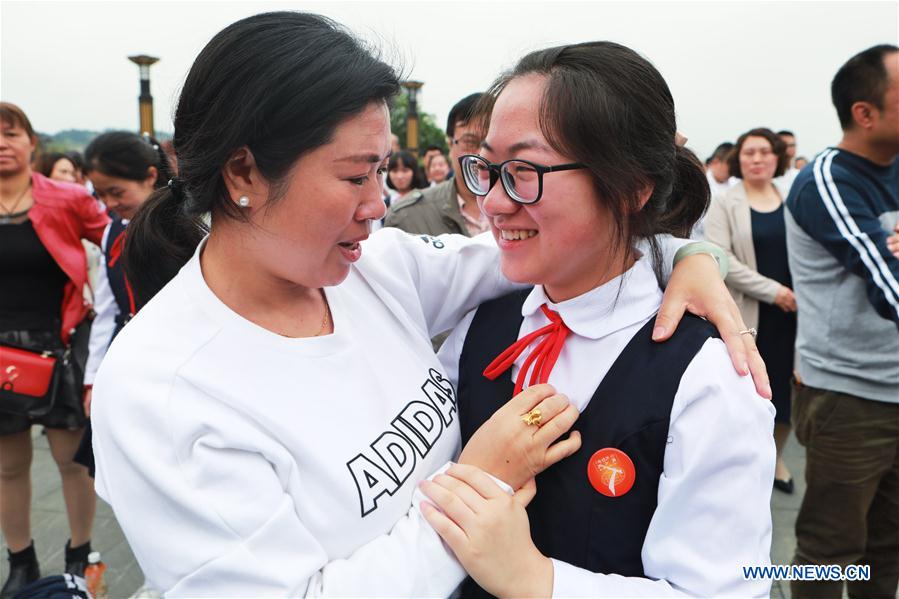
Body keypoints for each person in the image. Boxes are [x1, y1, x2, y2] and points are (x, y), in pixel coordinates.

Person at [91, 13, 766, 596]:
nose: (379, 205)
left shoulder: (375, 273)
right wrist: (480, 482)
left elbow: (567, 253)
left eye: (383, 171)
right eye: (356, 175)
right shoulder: (166, 386)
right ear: (242, 173)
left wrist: (686, 254)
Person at [421, 41, 776, 598]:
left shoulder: (706, 379)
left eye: (523, 170)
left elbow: (723, 588)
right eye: (486, 169)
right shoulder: (477, 326)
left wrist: (536, 579)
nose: (492, 202)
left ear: (634, 186)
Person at [785, 44, 899, 599]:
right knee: (830, 552)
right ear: (865, 112)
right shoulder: (828, 180)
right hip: (849, 397)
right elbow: (889, 286)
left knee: (887, 548)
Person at [0, 102, 110, 595]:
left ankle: (79, 552)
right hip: (1, 357)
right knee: (8, 466)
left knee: (73, 462)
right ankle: (20, 559)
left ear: (31, 142)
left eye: (11, 133)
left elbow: (119, 240)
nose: (3, 144)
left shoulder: (66, 199)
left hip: (59, 347)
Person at [705, 127, 797, 494]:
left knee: (786, 397)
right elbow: (721, 257)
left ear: (777, 158)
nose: (757, 159)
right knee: (752, 390)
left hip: (794, 314)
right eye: (749, 153)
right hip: (751, 312)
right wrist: (774, 291)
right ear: (737, 160)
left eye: (764, 152)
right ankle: (744, 461)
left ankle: (777, 458)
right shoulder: (725, 201)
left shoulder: (791, 197)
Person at [385, 93, 490, 237]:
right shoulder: (407, 217)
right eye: (470, 142)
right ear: (450, 144)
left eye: (489, 144)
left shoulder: (527, 209)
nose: (480, 155)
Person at [775, 129, 801, 195]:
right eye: (784, 145)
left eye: (792, 145)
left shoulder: (798, 175)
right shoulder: (767, 176)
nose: (789, 149)